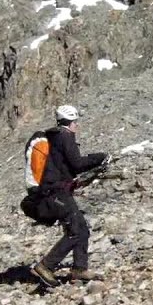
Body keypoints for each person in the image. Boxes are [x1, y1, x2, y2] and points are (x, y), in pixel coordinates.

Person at [12, 104, 110, 287]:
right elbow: (77, 164)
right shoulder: (65, 136)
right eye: (76, 122)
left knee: (81, 227)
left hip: (52, 191)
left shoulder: (53, 137)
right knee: (75, 230)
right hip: (55, 192)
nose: (77, 126)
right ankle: (46, 266)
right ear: (71, 122)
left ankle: (79, 268)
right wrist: (100, 157)